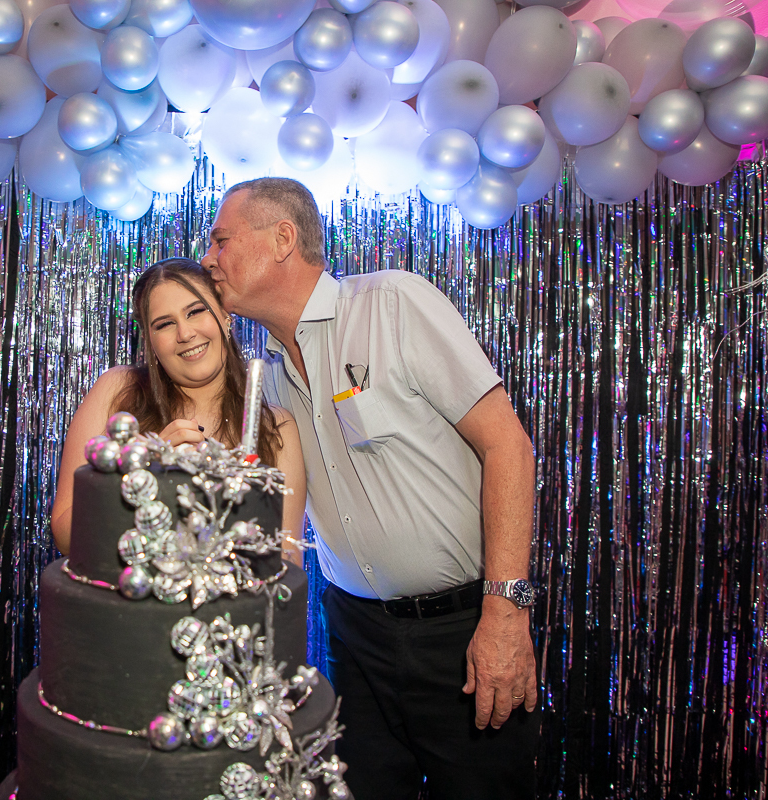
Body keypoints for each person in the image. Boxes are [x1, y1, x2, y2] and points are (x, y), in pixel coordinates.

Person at [200, 178, 540, 799]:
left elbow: (509, 447)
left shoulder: (392, 305)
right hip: (354, 640)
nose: (208, 258)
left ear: (283, 239)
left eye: (221, 240)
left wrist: (505, 614)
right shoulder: (265, 379)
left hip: (462, 633)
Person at [51, 257, 307, 558]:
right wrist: (145, 475)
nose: (184, 333)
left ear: (225, 315)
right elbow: (65, 535)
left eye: (195, 311)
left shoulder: (274, 427)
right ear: (151, 342)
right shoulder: (118, 391)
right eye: (165, 324)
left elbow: (286, 562)